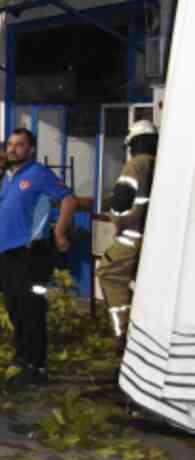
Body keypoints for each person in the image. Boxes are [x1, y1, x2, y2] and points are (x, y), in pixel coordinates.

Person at [0, 128, 77, 386]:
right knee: (14, 308)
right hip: (8, 255)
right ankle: (22, 357)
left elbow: (69, 199)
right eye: (10, 144)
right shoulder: (7, 178)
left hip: (32, 254)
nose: (13, 149)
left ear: (31, 149)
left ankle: (37, 367)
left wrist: (59, 232)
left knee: (32, 310)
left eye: (20, 145)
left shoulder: (39, 174)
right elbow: (4, 214)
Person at [96, 119, 158, 344]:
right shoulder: (162, 163)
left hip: (131, 238)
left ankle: (123, 333)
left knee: (109, 273)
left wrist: (115, 216)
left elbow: (121, 200)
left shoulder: (136, 165)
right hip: (155, 240)